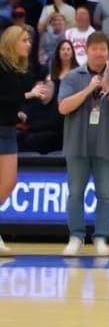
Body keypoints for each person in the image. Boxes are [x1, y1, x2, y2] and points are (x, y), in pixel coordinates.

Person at [56, 31, 109, 257]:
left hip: (106, 144)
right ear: (86, 51)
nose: (99, 53)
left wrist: (108, 89)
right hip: (76, 144)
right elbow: (63, 107)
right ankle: (76, 237)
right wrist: (90, 89)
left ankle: (100, 237)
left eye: (103, 49)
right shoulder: (72, 76)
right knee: (75, 194)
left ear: (108, 50)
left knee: (105, 194)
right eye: (94, 49)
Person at [0, 26, 50, 254]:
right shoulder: (1, 66)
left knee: (9, 183)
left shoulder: (16, 68)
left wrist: (17, 111)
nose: (29, 44)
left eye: (29, 40)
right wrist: (27, 95)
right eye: (24, 40)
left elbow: (8, 101)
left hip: (7, 129)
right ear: (12, 42)